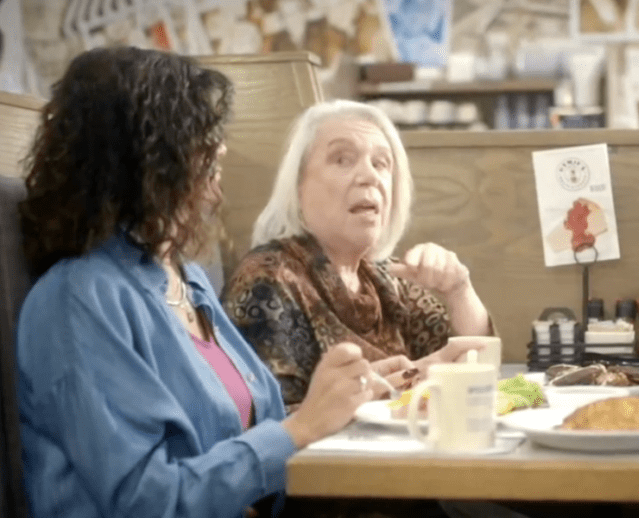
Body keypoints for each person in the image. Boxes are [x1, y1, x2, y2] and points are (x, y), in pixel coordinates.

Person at [16, 47, 379, 518]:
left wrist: (343, 397)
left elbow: (246, 442)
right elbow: (146, 501)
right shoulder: (77, 299)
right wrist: (300, 430)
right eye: (199, 138)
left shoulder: (185, 277)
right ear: (142, 160)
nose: (220, 150)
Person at [221, 99, 493, 410]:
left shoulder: (384, 278)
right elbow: (271, 424)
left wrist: (459, 289)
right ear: (298, 186)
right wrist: (394, 386)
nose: (369, 176)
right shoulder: (268, 277)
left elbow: (479, 365)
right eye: (342, 159)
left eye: (381, 163)